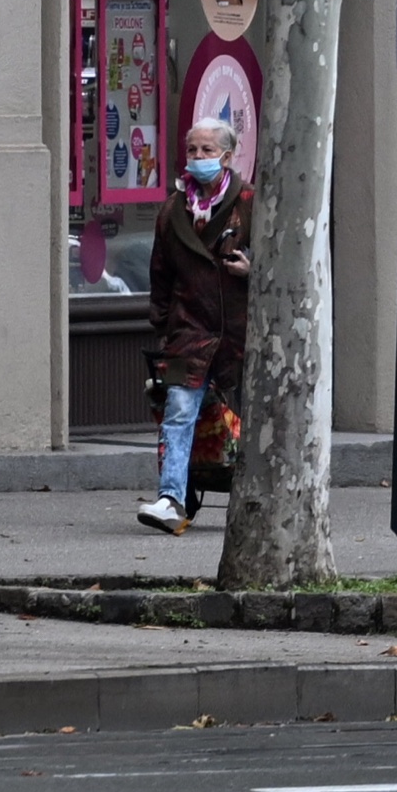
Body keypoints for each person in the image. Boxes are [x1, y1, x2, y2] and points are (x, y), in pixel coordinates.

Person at [140, 120, 251, 535]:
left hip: (241, 334)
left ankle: (252, 500)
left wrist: (253, 270)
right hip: (187, 334)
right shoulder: (172, 210)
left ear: (227, 155)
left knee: (246, 420)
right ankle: (172, 499)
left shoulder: (250, 202)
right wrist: (164, 327)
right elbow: (160, 274)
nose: (198, 158)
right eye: (192, 150)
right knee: (178, 414)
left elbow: (283, 269)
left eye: (207, 150)